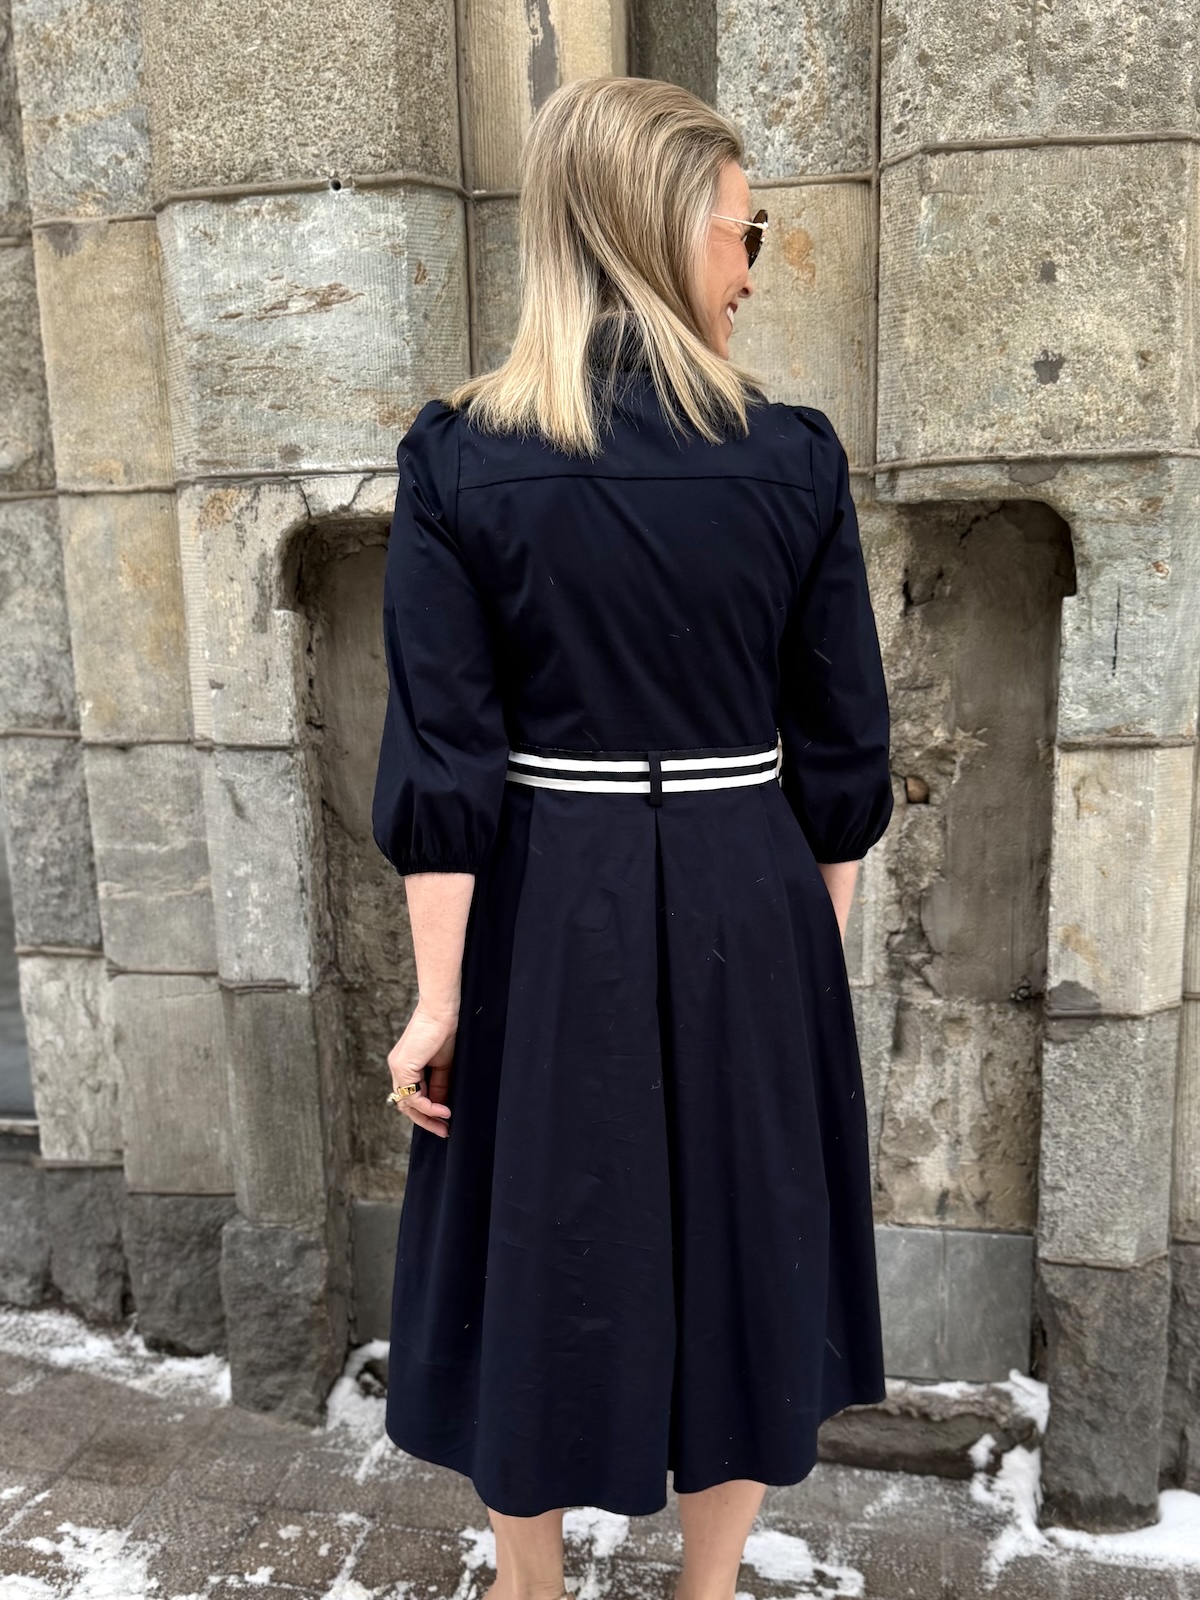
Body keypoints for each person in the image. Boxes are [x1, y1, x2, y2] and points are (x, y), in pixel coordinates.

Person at [371, 73, 894, 1600]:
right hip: (752, 895)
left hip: (546, 901)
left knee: (529, 1244)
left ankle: (529, 1587)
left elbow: (447, 759)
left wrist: (438, 1000)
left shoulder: (462, 456)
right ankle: (706, 1590)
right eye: (745, 232)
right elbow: (843, 755)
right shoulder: (792, 457)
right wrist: (805, 965)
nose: (752, 269)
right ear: (666, 231)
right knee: (747, 1250)